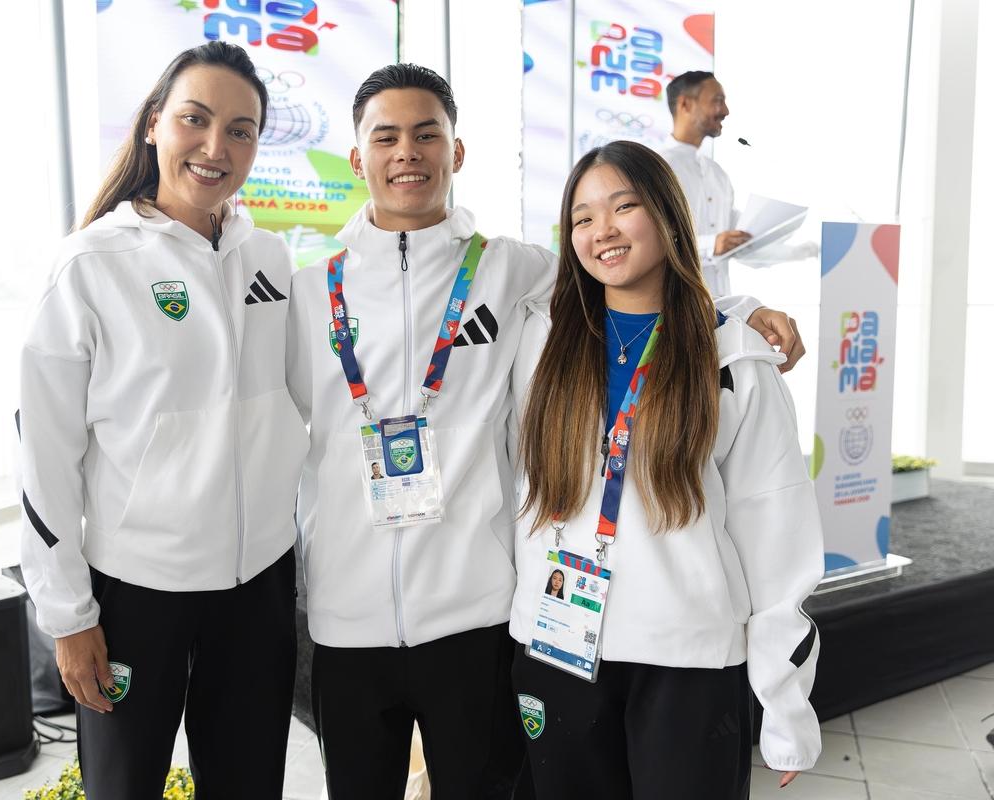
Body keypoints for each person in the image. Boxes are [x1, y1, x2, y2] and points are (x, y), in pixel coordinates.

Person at [286, 63, 806, 798]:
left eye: (428, 134)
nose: (408, 152)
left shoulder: (514, 275)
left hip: (478, 619)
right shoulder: (308, 294)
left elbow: (628, 281)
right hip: (351, 621)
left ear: (456, 152)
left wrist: (740, 310)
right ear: (358, 156)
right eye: (388, 136)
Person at [18, 42, 307, 799]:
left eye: (241, 130)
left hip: (259, 584)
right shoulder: (92, 264)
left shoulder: (271, 260)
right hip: (136, 591)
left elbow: (312, 403)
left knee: (248, 786)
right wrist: (69, 615)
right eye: (195, 119)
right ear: (154, 125)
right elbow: (45, 455)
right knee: (125, 787)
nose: (217, 147)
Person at [509, 140, 823, 798]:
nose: (604, 231)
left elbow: (778, 541)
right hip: (559, 647)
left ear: (670, 216)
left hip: (688, 659)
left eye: (625, 207)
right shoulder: (539, 342)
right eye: (584, 218)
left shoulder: (734, 363)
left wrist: (785, 702)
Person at [659, 71, 751, 297]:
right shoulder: (657, 168)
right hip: (674, 309)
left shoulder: (717, 174)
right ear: (685, 104)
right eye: (717, 101)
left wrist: (809, 250)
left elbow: (740, 238)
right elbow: (653, 241)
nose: (726, 111)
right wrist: (711, 246)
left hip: (721, 311)